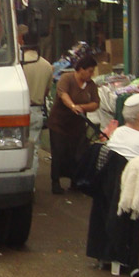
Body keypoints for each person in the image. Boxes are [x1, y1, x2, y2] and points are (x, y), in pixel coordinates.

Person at [47, 54, 100, 194]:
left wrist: (83, 108)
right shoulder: (67, 78)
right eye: (89, 71)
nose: (91, 74)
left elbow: (95, 103)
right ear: (81, 69)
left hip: (77, 125)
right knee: (59, 152)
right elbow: (62, 94)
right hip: (60, 123)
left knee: (77, 154)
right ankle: (55, 182)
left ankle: (75, 181)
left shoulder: (91, 85)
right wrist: (72, 106)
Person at [18, 25, 54, 141]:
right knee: (34, 148)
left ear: (22, 40)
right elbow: (46, 92)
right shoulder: (47, 66)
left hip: (20, 111)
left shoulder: (18, 64)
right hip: (37, 112)